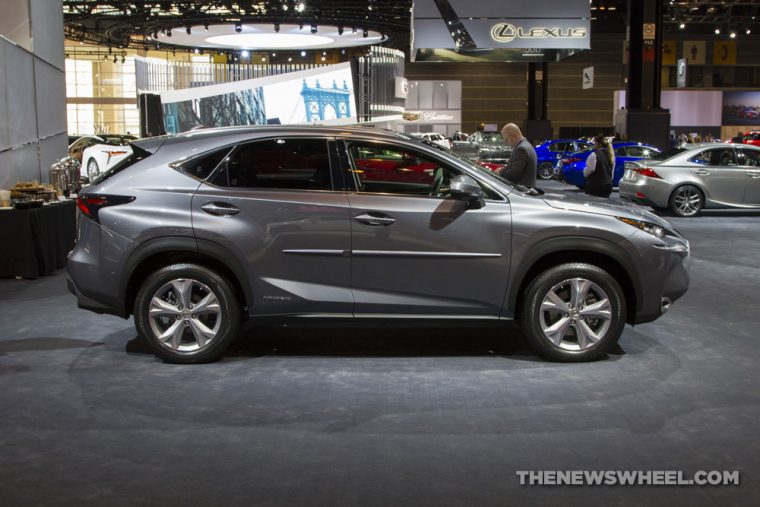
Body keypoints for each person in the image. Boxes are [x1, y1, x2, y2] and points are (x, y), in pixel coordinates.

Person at [498, 123, 537, 187]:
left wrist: (500, 171)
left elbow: (514, 173)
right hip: (526, 189)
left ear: (513, 136)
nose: (506, 142)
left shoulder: (521, 149)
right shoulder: (526, 145)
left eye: (506, 139)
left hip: (522, 191)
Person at [583, 134, 614, 199]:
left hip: (596, 186)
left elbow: (589, 170)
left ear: (598, 143)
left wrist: (584, 172)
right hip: (608, 185)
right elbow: (612, 173)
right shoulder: (611, 156)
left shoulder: (594, 155)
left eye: (595, 142)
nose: (594, 144)